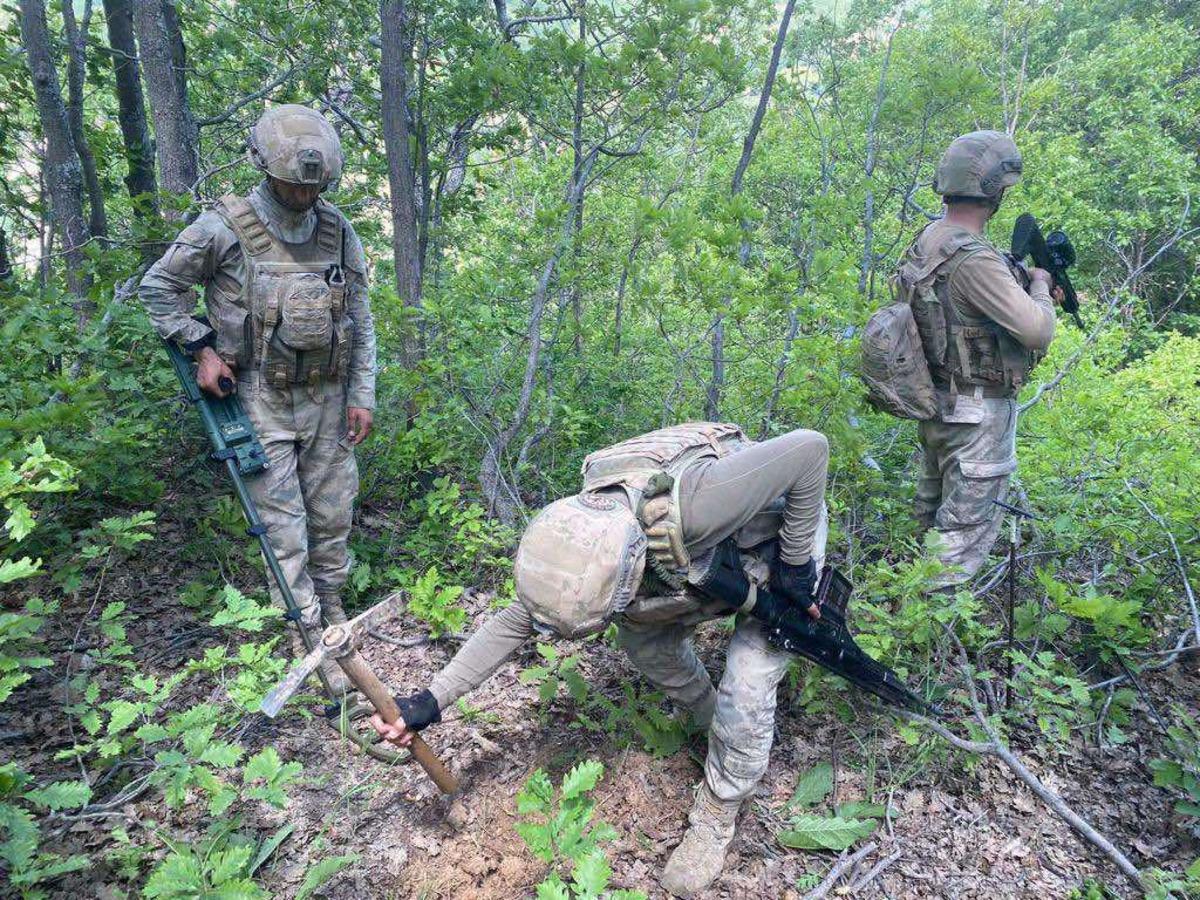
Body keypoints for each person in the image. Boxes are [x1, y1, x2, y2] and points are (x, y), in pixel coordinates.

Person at [370, 422, 831, 897]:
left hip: (779, 537)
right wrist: (430, 700)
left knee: (749, 683)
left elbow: (809, 450)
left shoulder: (697, 507)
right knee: (644, 642)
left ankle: (719, 808)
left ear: (628, 579)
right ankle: (706, 717)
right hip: (697, 565)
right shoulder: (576, 543)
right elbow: (515, 622)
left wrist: (797, 569)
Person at [138, 105, 376, 691]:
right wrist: (201, 347)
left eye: (314, 184)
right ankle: (305, 629)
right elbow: (158, 286)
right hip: (258, 398)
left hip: (326, 395)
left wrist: (362, 394)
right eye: (295, 182)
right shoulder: (223, 227)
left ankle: (332, 609)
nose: (304, 193)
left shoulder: (337, 229)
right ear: (267, 170)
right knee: (282, 523)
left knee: (331, 513)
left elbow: (363, 320)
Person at [898, 130, 1059, 591]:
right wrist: (1041, 286)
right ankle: (928, 639)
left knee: (928, 517)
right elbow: (1036, 329)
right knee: (960, 538)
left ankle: (901, 609)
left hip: (937, 402)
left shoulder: (931, 237)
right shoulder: (974, 258)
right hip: (976, 413)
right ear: (993, 190)